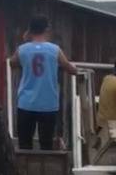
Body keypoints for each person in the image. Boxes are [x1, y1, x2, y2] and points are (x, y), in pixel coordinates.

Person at [9, 15, 77, 150]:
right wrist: (74, 68)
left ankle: (25, 170)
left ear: (29, 30)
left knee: (24, 144)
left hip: (26, 103)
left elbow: (12, 63)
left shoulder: (22, 50)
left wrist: (25, 40)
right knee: (46, 144)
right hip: (48, 104)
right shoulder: (55, 50)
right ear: (47, 29)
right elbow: (70, 69)